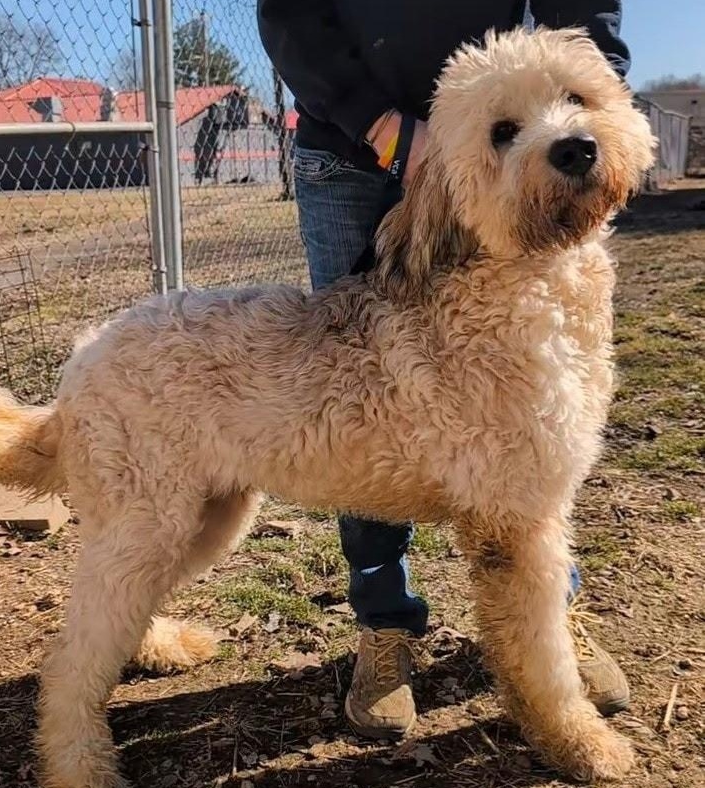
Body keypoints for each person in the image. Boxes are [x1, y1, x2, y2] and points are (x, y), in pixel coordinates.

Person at [257, 1, 631, 740]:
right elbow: (289, 10)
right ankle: (385, 623)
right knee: (357, 411)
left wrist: (595, 88)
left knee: (538, 435)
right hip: (349, 146)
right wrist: (382, 125)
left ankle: (552, 611)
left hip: (499, 135)